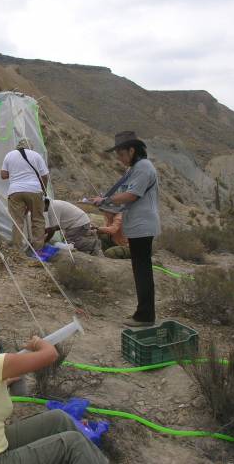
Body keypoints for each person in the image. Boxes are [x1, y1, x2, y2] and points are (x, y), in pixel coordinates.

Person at [0, 310, 109, 464]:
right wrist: (38, 343)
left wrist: (6, 381)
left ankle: (94, 458)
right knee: (73, 443)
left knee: (58, 418)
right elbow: (50, 355)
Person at [91, 131, 160, 327]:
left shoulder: (143, 167)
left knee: (142, 271)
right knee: (140, 270)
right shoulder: (136, 168)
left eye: (121, 155)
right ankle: (142, 312)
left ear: (132, 150)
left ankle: (145, 316)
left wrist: (106, 199)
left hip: (143, 226)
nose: (120, 159)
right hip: (138, 226)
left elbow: (131, 195)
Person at [1, 138, 49, 251]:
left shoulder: (9, 155)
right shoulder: (36, 155)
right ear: (30, 147)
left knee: (17, 221)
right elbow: (45, 176)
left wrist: (15, 174)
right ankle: (37, 249)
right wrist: (44, 190)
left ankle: (17, 250)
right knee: (37, 219)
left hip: (15, 191)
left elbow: (3, 175)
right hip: (34, 190)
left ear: (18, 146)